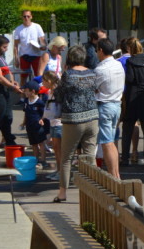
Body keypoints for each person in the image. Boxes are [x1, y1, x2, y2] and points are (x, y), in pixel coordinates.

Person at [53, 46, 98, 203]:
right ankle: (92, 191)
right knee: (89, 156)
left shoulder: (68, 75)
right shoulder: (92, 73)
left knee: (67, 157)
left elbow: (58, 95)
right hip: (92, 117)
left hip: (73, 119)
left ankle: (62, 193)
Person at [95, 38, 125, 179]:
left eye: (97, 50)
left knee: (107, 143)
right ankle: (115, 173)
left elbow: (93, 89)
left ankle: (114, 175)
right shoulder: (118, 65)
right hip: (116, 105)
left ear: (101, 50)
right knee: (111, 142)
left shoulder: (100, 68)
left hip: (105, 105)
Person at [0, 35, 20, 148]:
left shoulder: (0, 56)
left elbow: (8, 72)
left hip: (5, 90)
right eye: (4, 47)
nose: (6, 49)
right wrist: (12, 87)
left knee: (8, 116)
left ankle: (9, 139)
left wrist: (12, 82)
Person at [13, 10, 46, 84]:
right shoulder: (18, 29)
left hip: (36, 55)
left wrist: (42, 46)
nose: (26, 18)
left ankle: (39, 93)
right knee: (23, 77)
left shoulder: (37, 26)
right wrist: (16, 58)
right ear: (22, 17)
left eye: (28, 16)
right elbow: (15, 45)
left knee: (38, 76)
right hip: (24, 55)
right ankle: (23, 94)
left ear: (31, 17)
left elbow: (43, 41)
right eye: (24, 16)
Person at [20, 80, 47, 168]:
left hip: (38, 126)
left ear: (33, 91)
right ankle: (36, 159)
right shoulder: (26, 101)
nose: (25, 92)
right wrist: (23, 123)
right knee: (33, 144)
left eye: (26, 90)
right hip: (29, 126)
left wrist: (42, 120)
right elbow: (26, 113)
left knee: (41, 143)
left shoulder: (40, 103)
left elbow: (44, 113)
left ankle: (43, 160)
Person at [41, 72, 62, 180]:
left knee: (59, 150)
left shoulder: (58, 91)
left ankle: (61, 173)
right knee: (56, 149)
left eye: (43, 81)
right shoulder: (51, 92)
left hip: (59, 124)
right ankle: (58, 170)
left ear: (49, 81)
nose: (42, 83)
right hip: (53, 123)